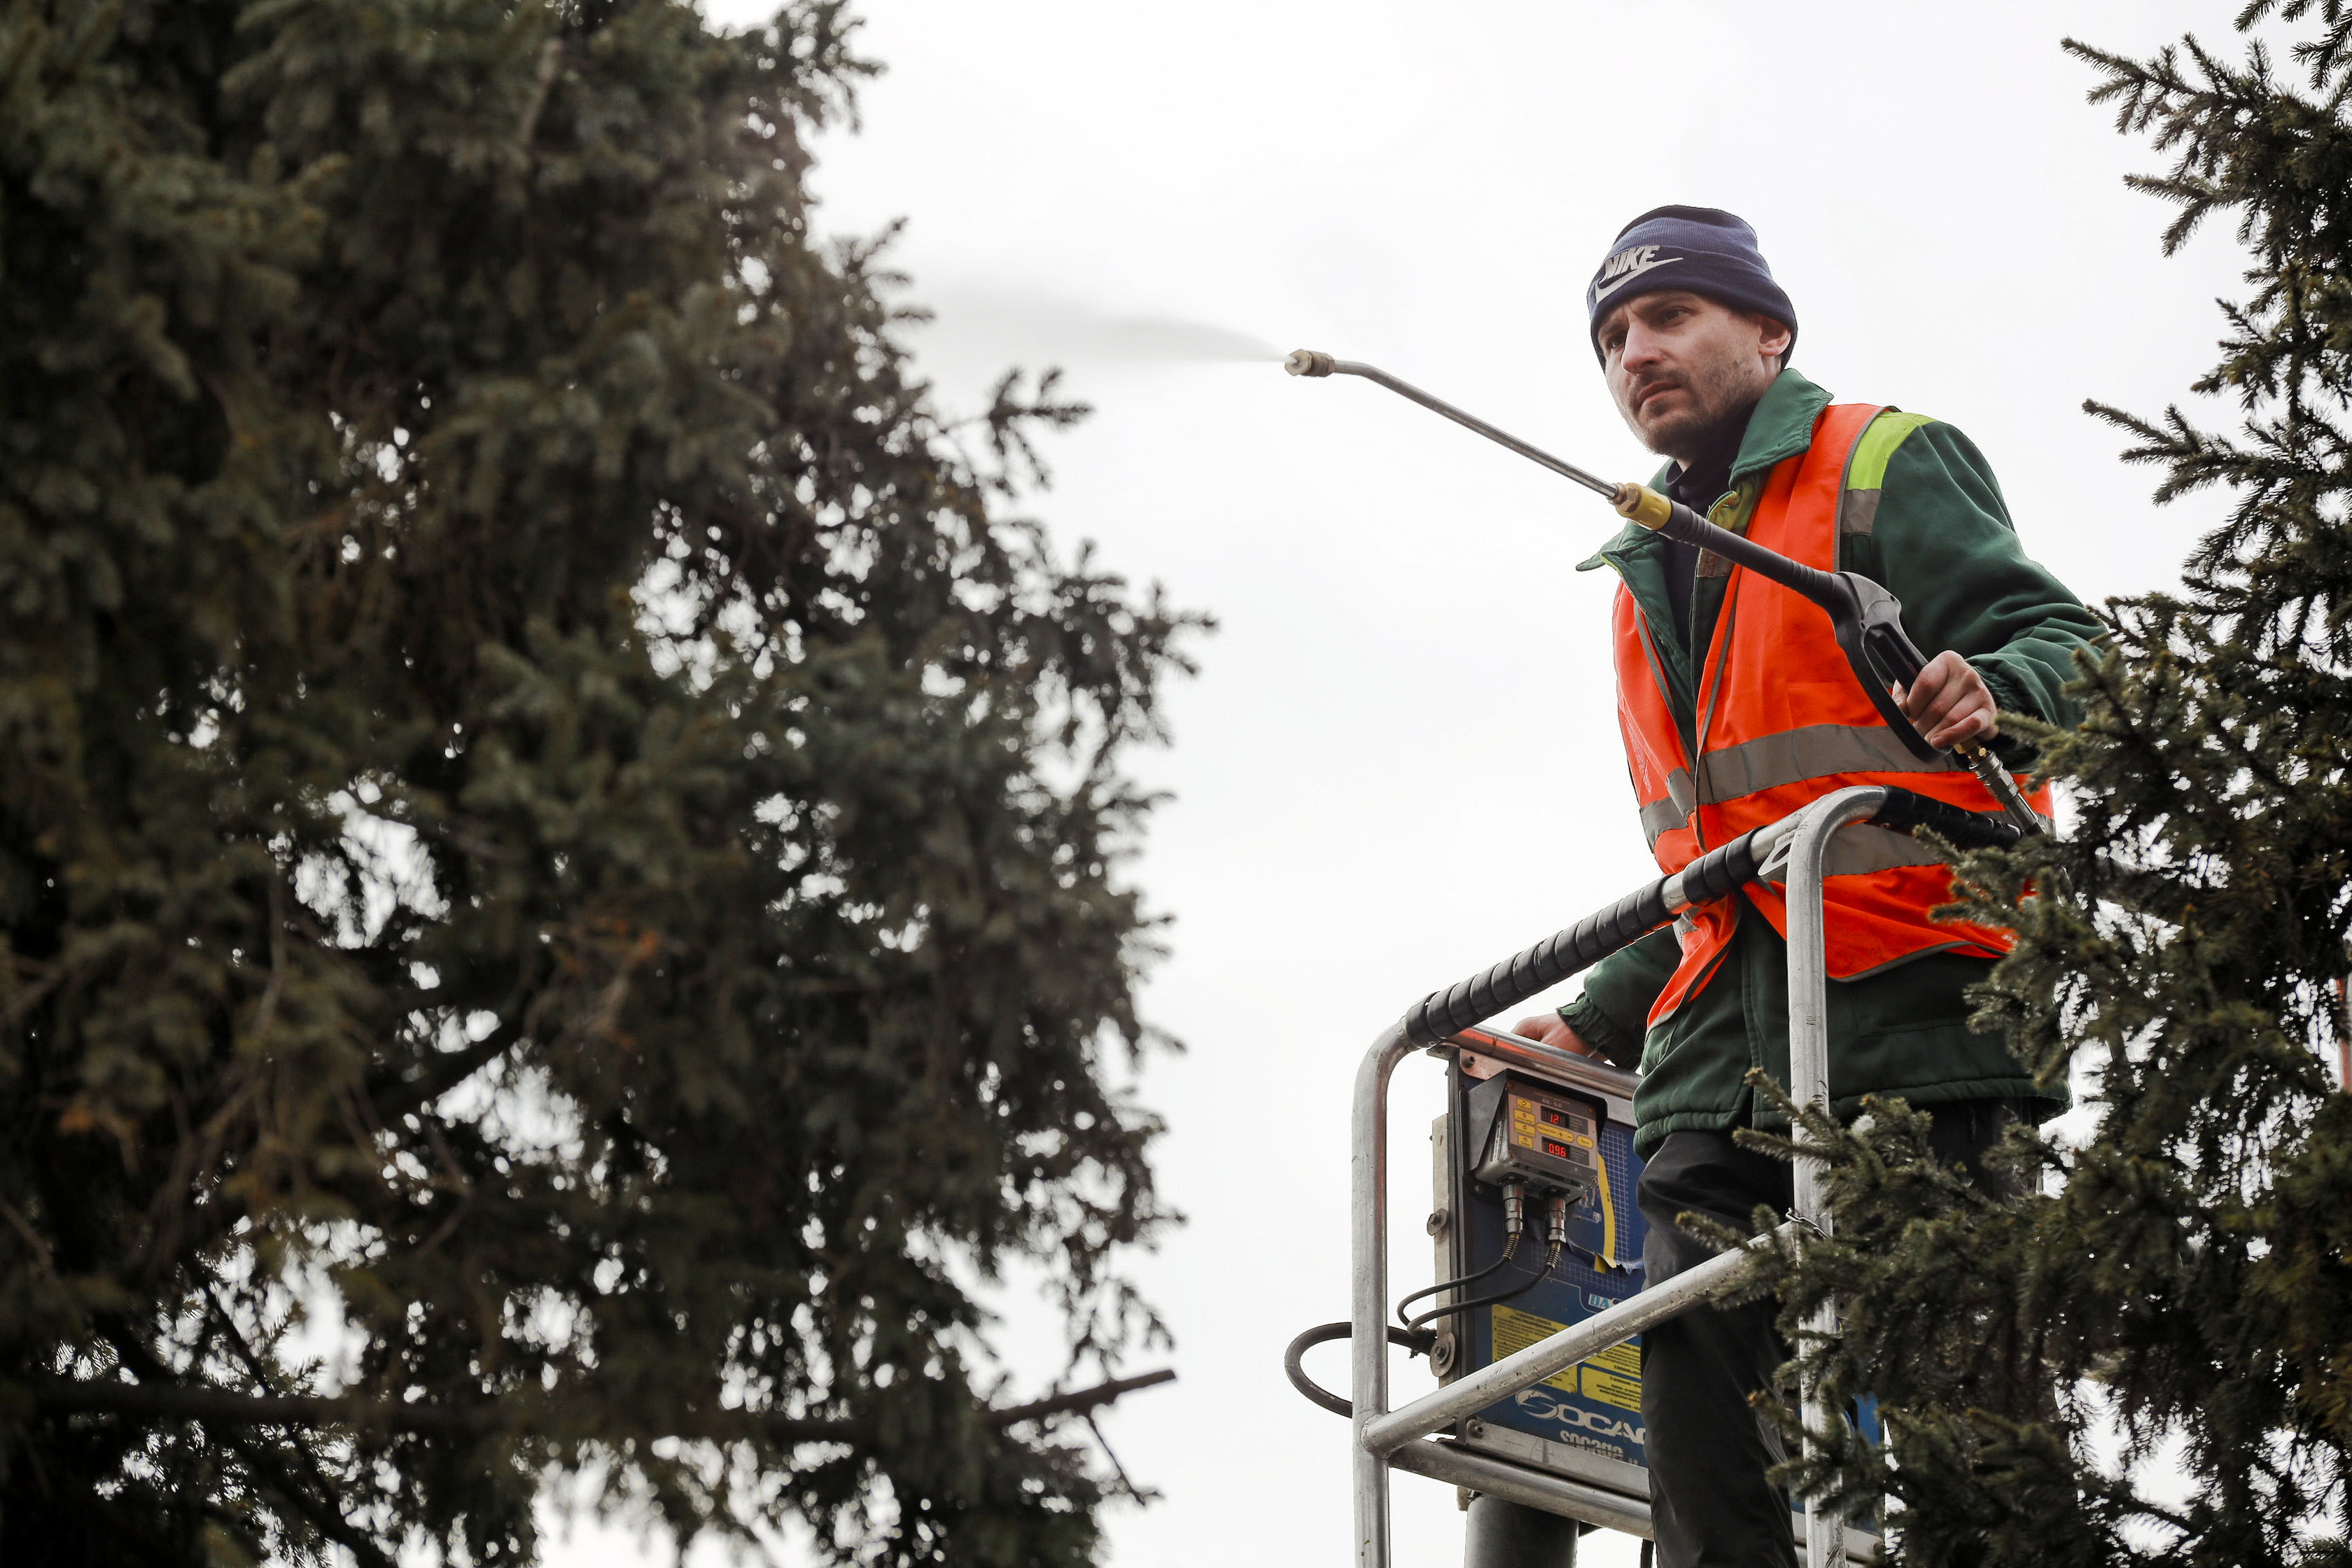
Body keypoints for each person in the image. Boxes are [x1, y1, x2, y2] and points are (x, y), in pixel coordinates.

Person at [1510, 206, 2102, 1568]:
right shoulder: (1640, 575)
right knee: (1704, 1440)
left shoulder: (1879, 462)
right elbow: (1728, 861)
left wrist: (1995, 686)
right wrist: (1598, 1017)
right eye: (1612, 337)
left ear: (1769, 332)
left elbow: (2069, 642)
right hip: (1719, 1065)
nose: (1636, 353)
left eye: (1670, 316)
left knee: (1972, 1442)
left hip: (1917, 1021)